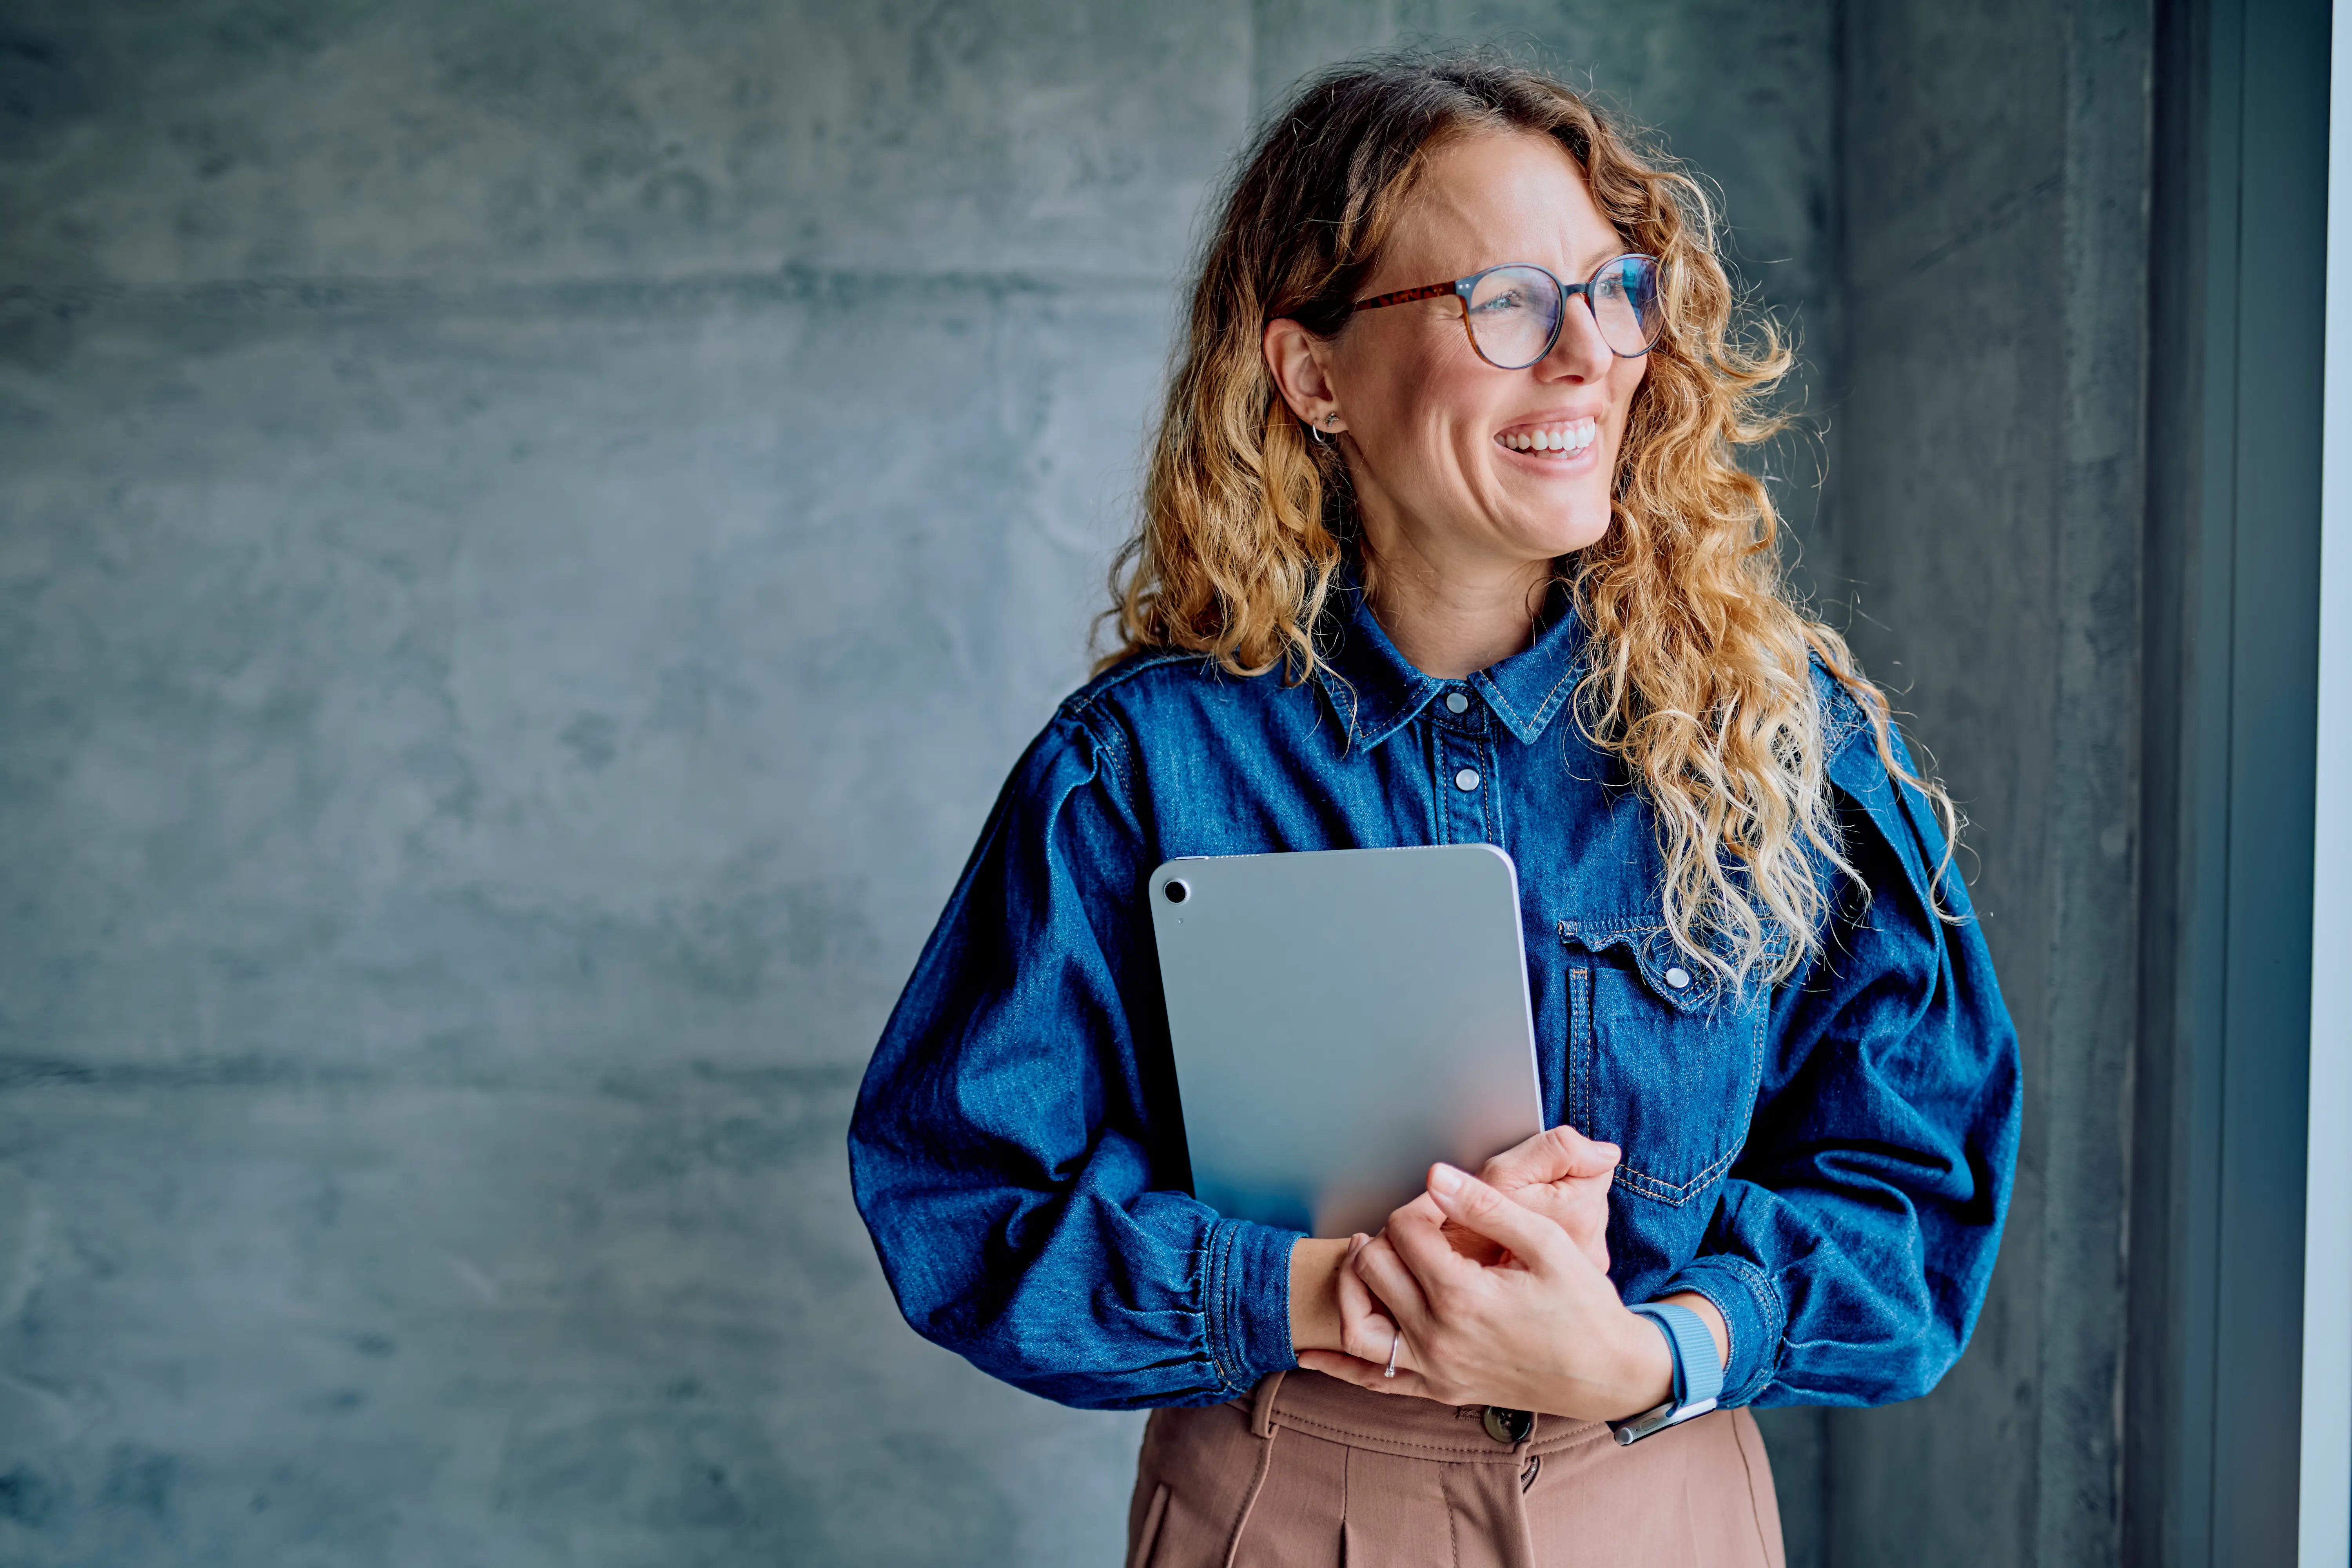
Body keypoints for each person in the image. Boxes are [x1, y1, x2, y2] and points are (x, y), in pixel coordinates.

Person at [849, 53, 2019, 1567]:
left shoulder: (1783, 742)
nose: (1591, 355)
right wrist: (1317, 1292)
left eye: (1613, 291)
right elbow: (959, 1199)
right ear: (1313, 375)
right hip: (1281, 1494)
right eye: (1510, 301)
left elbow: (1917, 1208)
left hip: (1651, 1490)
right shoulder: (1133, 770)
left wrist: (1638, 1354)